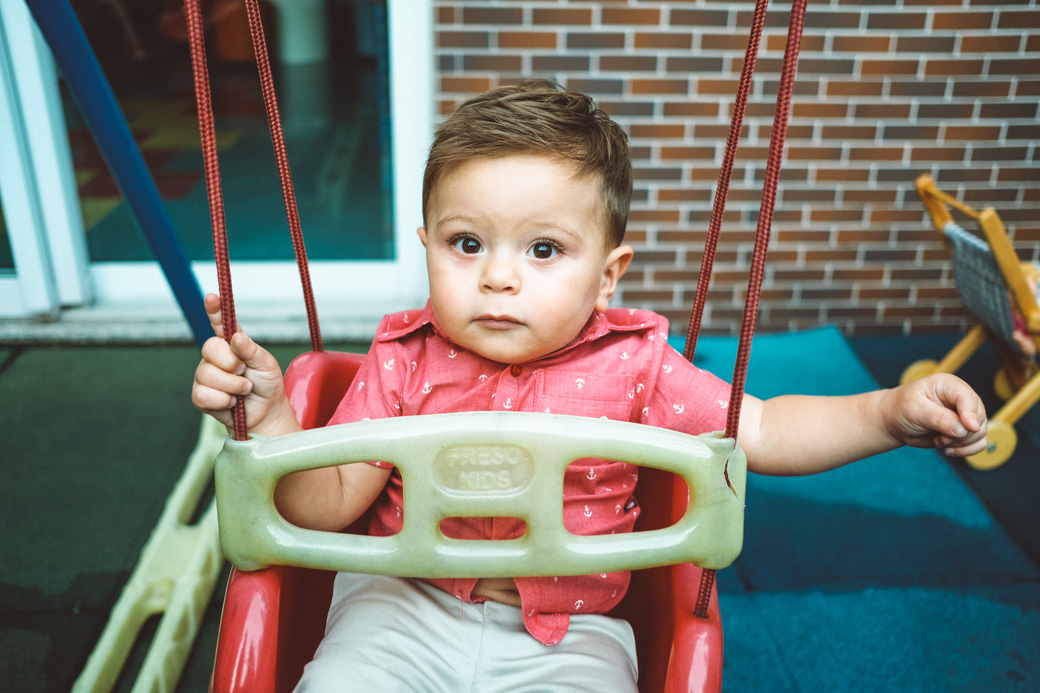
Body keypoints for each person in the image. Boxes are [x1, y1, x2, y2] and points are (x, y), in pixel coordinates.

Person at [192, 79, 988, 692]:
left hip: (571, 635)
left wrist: (887, 413)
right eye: (467, 243)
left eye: (543, 250)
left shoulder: (637, 367)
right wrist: (273, 418)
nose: (498, 277)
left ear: (608, 276)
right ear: (426, 245)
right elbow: (328, 503)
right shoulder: (403, 357)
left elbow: (768, 429)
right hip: (399, 609)